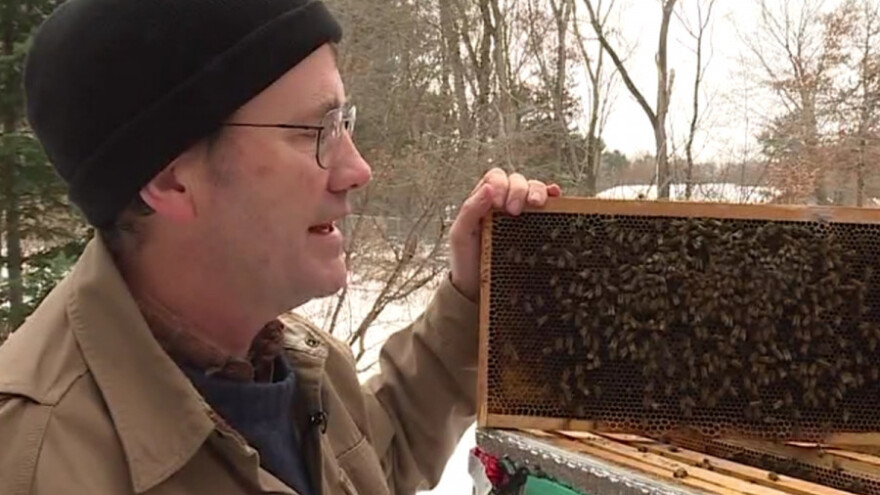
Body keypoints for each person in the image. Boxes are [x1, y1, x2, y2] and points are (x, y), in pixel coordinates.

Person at [0, 0, 561, 494]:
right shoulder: (33, 463)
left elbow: (374, 467)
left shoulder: (287, 357)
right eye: (314, 132)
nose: (356, 169)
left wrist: (470, 295)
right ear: (171, 180)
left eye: (346, 122)